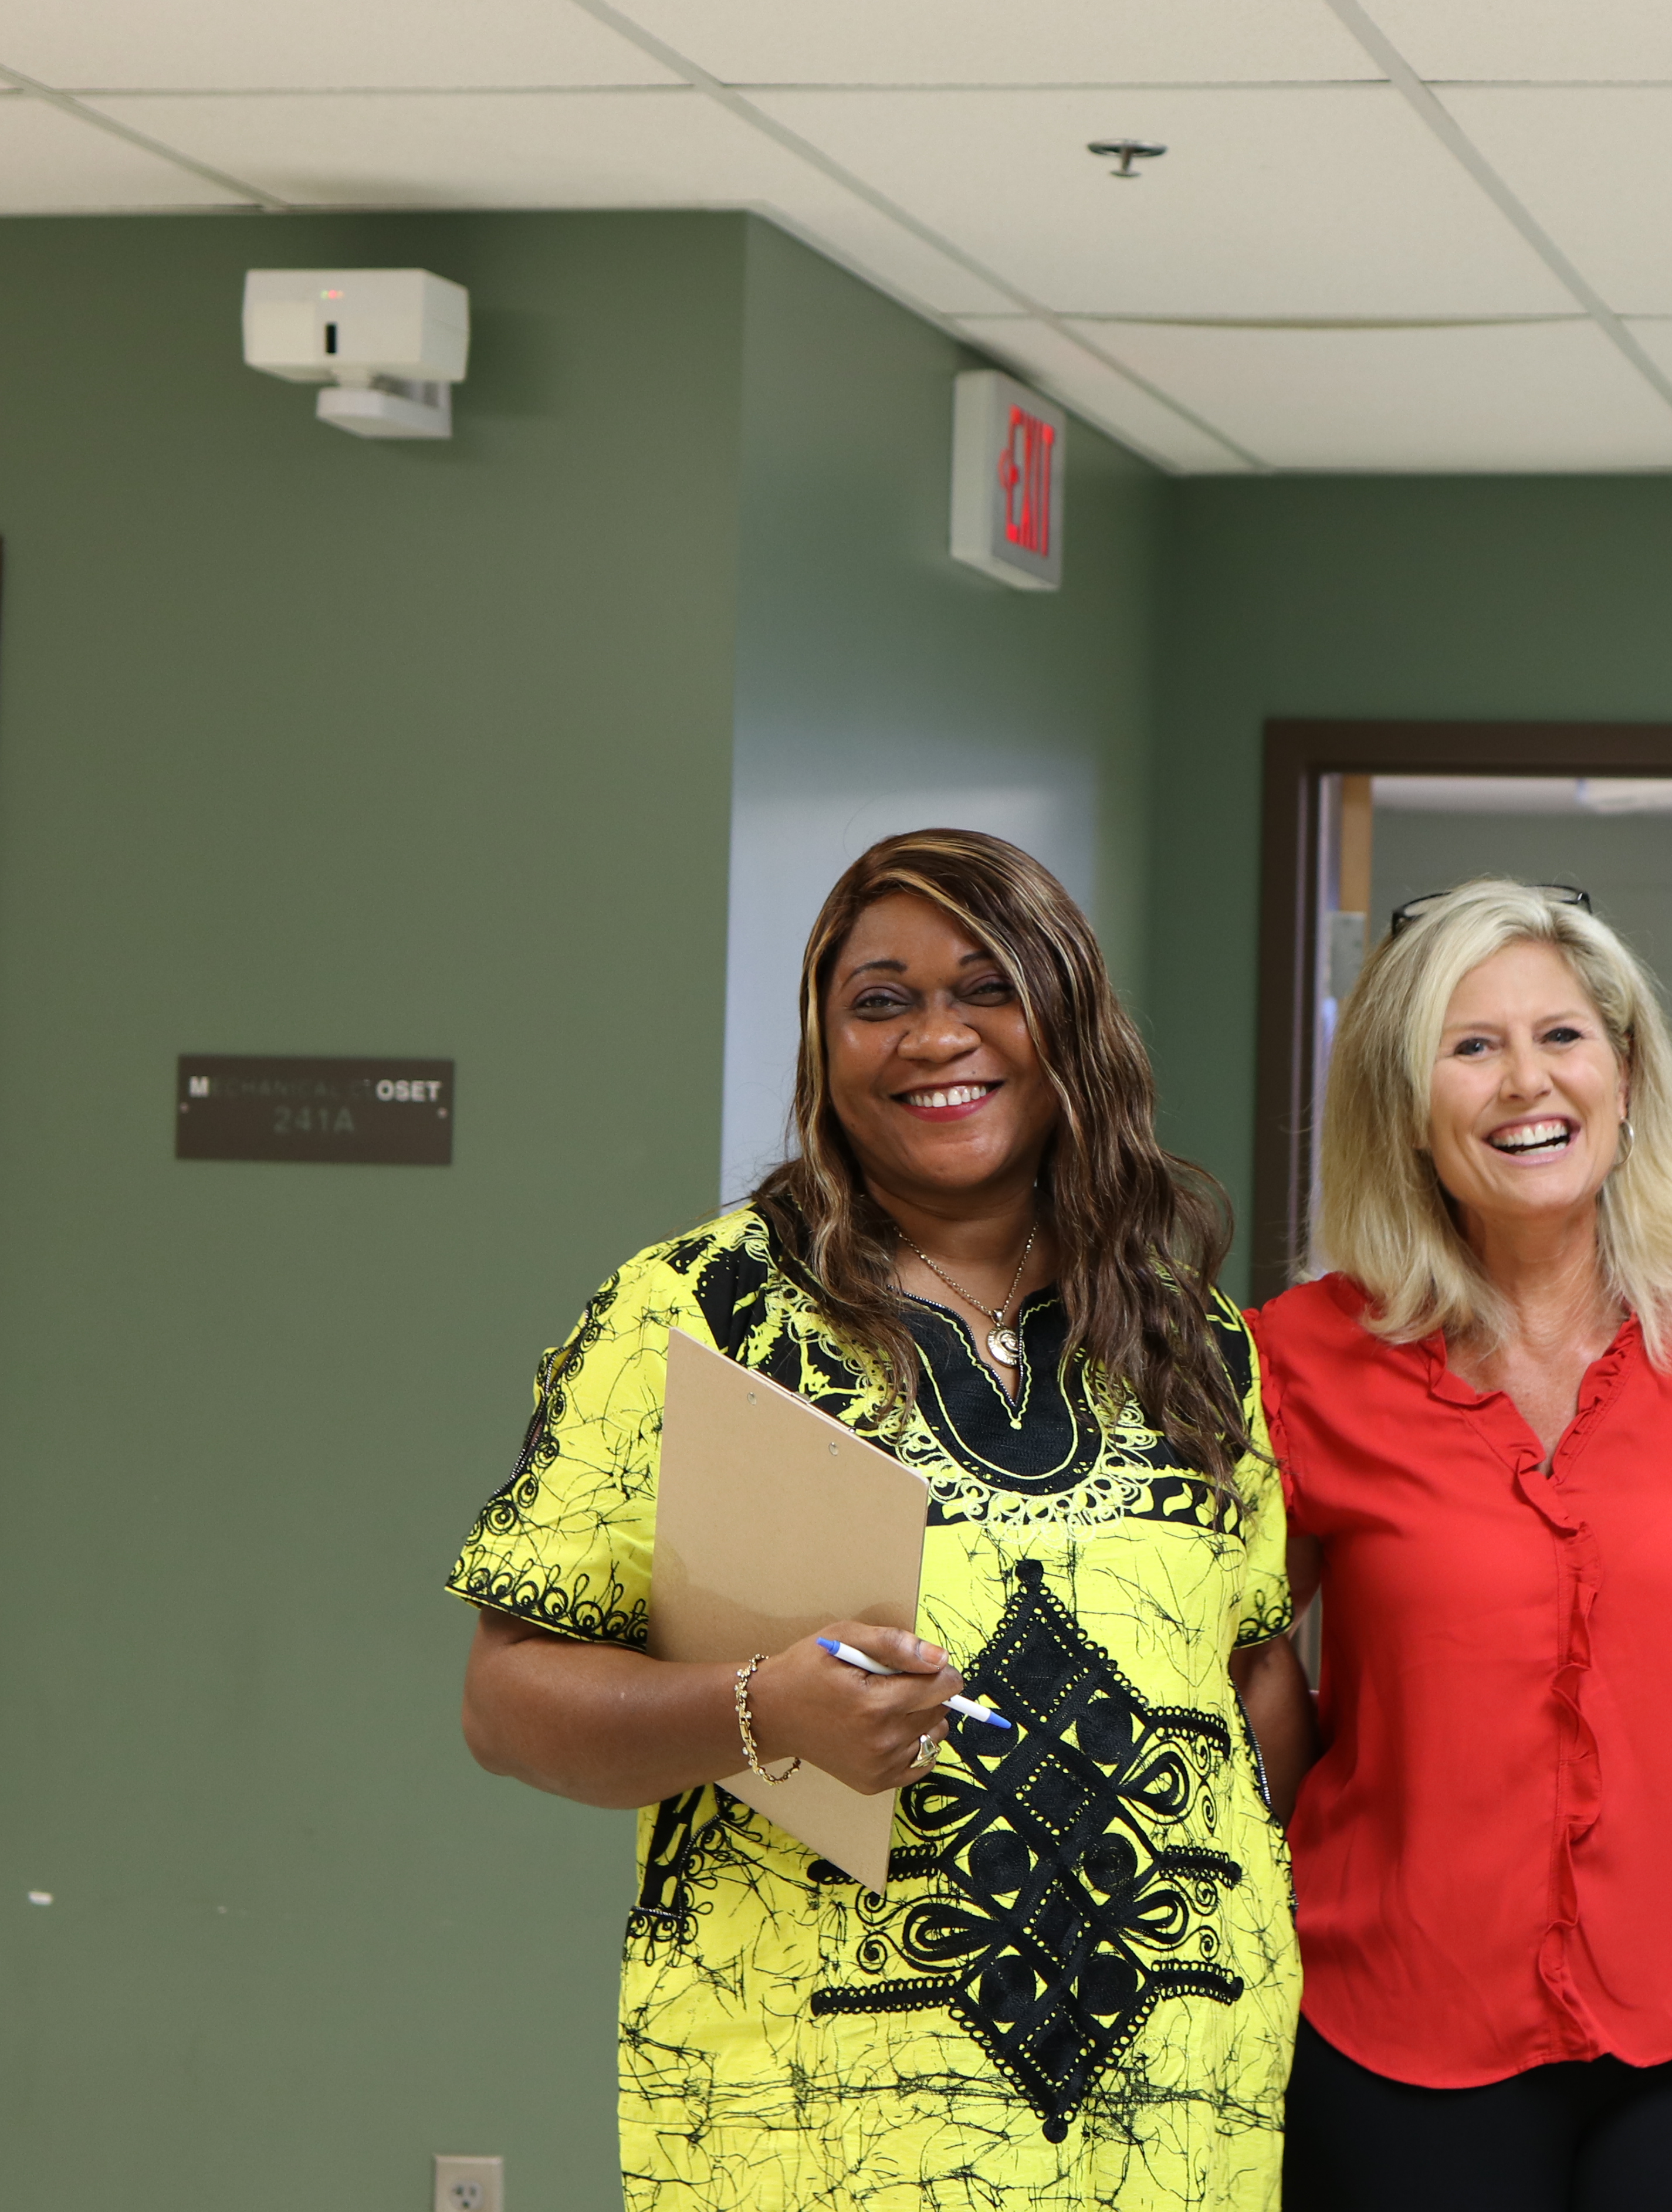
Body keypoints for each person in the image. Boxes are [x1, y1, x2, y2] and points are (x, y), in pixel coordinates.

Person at [451, 830, 1310, 2212]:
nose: (935, 1036)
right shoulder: (698, 1317)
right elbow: (508, 1700)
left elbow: (1255, 1684)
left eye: (986, 985)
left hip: (1179, 2125)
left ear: (1070, 1019)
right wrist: (760, 1708)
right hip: (819, 2128)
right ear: (823, 1042)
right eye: (880, 998)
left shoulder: (1192, 1339)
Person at [1256, 880, 1672, 2212]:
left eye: (1562, 1036)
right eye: (1469, 1044)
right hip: (1403, 2017)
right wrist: (1346, 1819)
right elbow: (1244, 1647)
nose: (1523, 1081)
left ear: (1624, 1071)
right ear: (1403, 1103)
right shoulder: (1297, 1360)